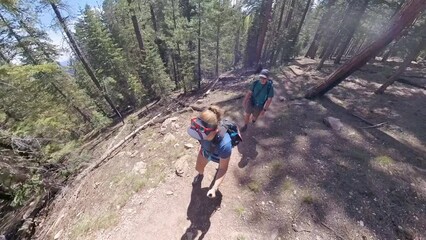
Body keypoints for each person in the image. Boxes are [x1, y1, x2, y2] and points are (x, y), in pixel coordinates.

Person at [187, 105, 232, 198]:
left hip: (219, 155)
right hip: (206, 151)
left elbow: (223, 169)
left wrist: (214, 188)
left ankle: (214, 178)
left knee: (221, 167)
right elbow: (201, 138)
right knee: (198, 168)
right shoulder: (202, 130)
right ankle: (200, 174)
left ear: (215, 131)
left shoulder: (225, 145)